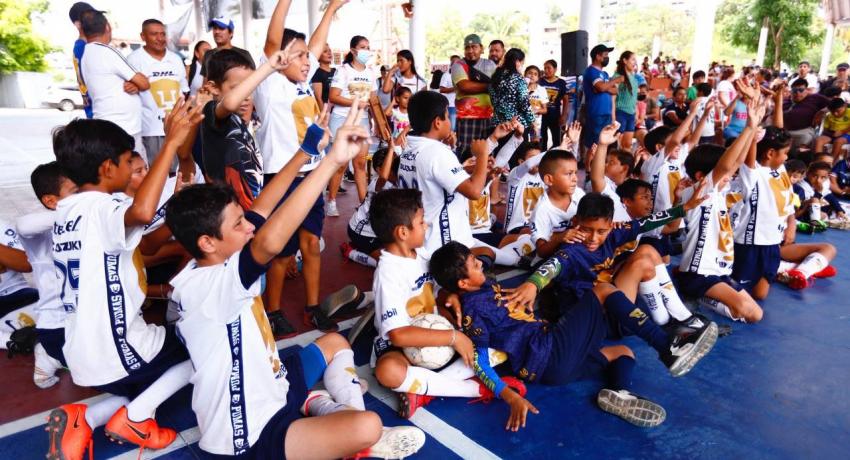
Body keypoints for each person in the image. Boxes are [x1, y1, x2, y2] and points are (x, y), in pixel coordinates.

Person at [164, 100, 425, 458]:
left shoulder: (214, 259)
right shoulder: (209, 286)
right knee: (368, 427)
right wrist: (332, 161)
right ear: (208, 242)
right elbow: (269, 240)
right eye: (238, 224)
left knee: (335, 342)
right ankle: (343, 424)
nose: (248, 227)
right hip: (250, 436)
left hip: (275, 385)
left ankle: (325, 408)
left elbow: (262, 210)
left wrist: (306, 152)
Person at [46, 99, 203, 459]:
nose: (134, 166)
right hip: (117, 347)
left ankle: (84, 416)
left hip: (84, 351)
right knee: (203, 351)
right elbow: (143, 213)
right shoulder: (103, 208)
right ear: (107, 167)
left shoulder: (70, 211)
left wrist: (176, 206)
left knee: (147, 379)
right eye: (129, 160)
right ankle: (135, 419)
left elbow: (145, 241)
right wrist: (170, 144)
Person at [430, 241, 674, 430]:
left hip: (554, 370)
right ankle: (666, 346)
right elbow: (479, 361)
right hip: (548, 351)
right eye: (474, 265)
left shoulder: (481, 284)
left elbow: (483, 255)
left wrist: (444, 293)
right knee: (603, 291)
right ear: (463, 283)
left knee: (623, 353)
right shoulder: (473, 311)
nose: (480, 264)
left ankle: (619, 392)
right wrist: (509, 397)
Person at [506, 191, 718, 373]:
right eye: (586, 229)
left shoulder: (615, 233)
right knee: (631, 269)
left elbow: (647, 222)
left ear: (611, 224)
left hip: (616, 308)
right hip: (594, 321)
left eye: (601, 231)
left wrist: (685, 207)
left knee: (647, 251)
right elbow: (553, 265)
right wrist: (533, 283)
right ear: (576, 222)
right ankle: (669, 332)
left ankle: (673, 320)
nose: (593, 238)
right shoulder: (573, 249)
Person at [369, 188, 526, 419]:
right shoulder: (388, 273)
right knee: (388, 372)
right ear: (403, 232)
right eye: (421, 222)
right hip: (406, 346)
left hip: (437, 329)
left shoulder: (419, 254)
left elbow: (435, 288)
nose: (427, 225)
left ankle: (423, 388)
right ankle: (476, 388)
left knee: (494, 334)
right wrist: (454, 338)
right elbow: (398, 335)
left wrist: (447, 296)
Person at [253, 0, 348, 334]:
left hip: (310, 177)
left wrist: (331, 10)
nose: (308, 60)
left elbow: (318, 43)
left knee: (311, 245)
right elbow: (272, 40)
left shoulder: (302, 85)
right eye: (299, 55)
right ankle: (273, 310)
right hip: (283, 178)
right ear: (280, 58)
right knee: (280, 250)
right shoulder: (270, 83)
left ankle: (312, 306)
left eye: (308, 56)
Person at [676, 96, 764, 323]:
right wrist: (748, 128)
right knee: (747, 311)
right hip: (699, 274)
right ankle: (692, 291)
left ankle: (698, 299)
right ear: (700, 176)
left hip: (719, 273)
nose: (729, 177)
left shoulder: (718, 194)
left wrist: (752, 130)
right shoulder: (697, 193)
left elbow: (733, 165)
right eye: (722, 176)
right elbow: (727, 165)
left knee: (755, 314)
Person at [397, 91, 508, 260]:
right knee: (492, 256)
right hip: (445, 244)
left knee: (506, 254)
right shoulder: (437, 152)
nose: (450, 122)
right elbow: (473, 192)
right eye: (448, 117)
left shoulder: (409, 148)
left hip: (427, 240)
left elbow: (445, 178)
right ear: (437, 122)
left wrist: (485, 174)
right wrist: (482, 155)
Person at [16, 163, 77, 389]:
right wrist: (79, 209)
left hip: (84, 318)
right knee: (97, 372)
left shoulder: (84, 221)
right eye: (76, 193)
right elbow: (23, 225)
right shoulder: (41, 235)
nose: (84, 198)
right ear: (51, 201)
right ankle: (48, 354)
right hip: (57, 325)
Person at [640, 97, 710, 260]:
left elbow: (693, 140)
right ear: (659, 148)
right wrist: (692, 113)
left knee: (665, 260)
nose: (678, 146)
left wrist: (704, 116)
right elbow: (676, 140)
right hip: (656, 224)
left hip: (676, 220)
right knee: (659, 262)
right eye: (673, 144)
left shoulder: (677, 159)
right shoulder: (652, 165)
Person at [79, 10, 150, 159]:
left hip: (109, 126)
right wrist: (137, 84)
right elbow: (144, 83)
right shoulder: (106, 51)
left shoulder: (86, 54)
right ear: (107, 27)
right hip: (124, 128)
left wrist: (134, 85)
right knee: (135, 173)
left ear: (83, 32)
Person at [199, 49, 264, 211]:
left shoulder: (253, 121)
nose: (247, 95)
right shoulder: (212, 113)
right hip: (228, 214)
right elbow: (228, 104)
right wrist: (269, 66)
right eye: (238, 88)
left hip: (252, 210)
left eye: (250, 87)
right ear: (213, 88)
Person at [128, 19, 190, 171]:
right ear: (143, 36)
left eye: (162, 34)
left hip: (177, 127)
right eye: (154, 34)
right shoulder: (133, 59)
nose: (160, 38)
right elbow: (126, 89)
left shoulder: (175, 59)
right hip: (152, 129)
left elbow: (184, 91)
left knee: (179, 174)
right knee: (158, 174)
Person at [329, 34, 378, 203]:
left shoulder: (371, 73)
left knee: (360, 164)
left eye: (368, 47)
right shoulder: (343, 70)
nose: (367, 50)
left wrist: (376, 122)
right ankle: (332, 201)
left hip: (362, 121)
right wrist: (356, 103)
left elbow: (373, 101)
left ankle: (363, 203)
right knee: (341, 164)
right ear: (353, 50)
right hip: (341, 120)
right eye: (363, 47)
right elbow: (333, 96)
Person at [342, 146, 398, 267]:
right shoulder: (379, 184)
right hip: (362, 233)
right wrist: (392, 148)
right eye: (391, 167)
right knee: (388, 264)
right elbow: (383, 177)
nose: (397, 169)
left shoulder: (398, 180)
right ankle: (351, 253)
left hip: (379, 231)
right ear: (379, 169)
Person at [529, 148, 586, 259]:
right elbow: (541, 252)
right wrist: (560, 238)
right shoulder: (542, 210)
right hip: (554, 259)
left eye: (575, 172)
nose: (575, 178)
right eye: (569, 174)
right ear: (549, 180)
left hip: (578, 250)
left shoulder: (578, 194)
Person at [452, 34, 496, 157]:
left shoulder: (490, 65)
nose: (470, 51)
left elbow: (498, 85)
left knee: (488, 152)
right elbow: (464, 86)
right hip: (467, 117)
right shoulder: (458, 65)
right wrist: (489, 86)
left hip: (489, 116)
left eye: (474, 47)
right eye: (467, 47)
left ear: (481, 48)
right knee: (466, 152)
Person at [588, 123, 632, 222]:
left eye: (610, 162)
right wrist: (602, 145)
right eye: (605, 161)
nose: (605, 165)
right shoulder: (605, 182)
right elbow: (596, 178)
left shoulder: (628, 187)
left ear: (624, 168)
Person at [582, 44, 621, 149]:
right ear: (598, 57)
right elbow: (601, 88)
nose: (607, 57)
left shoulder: (604, 74)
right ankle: (589, 165)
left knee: (604, 143)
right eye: (605, 55)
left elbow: (615, 90)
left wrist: (603, 87)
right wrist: (615, 81)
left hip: (606, 113)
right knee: (594, 144)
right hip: (596, 113)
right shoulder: (591, 71)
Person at [504, 142, 545, 234]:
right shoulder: (516, 175)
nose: (538, 161)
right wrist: (558, 149)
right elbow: (528, 164)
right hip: (516, 229)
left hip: (535, 226)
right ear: (521, 162)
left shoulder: (543, 176)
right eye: (534, 158)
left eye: (539, 158)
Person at [489, 48, 534, 130]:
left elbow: (493, 101)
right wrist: (533, 122)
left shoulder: (496, 77)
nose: (521, 66)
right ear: (517, 62)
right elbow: (524, 103)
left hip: (497, 124)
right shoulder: (518, 79)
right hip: (516, 125)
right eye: (522, 63)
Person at [783, 78, 830, 148]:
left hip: (805, 130)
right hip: (784, 131)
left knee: (805, 138)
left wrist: (823, 111)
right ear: (791, 92)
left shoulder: (815, 98)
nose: (798, 93)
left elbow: (835, 104)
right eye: (795, 90)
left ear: (806, 90)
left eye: (801, 90)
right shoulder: (785, 102)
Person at [69, 2, 95, 118]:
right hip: (95, 108)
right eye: (89, 17)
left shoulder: (88, 45)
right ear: (78, 24)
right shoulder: (81, 47)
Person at [539, 60, 569, 150]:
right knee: (542, 140)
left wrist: (564, 115)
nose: (546, 70)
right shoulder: (540, 81)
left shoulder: (561, 83)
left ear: (555, 69)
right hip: (541, 115)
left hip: (555, 115)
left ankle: (554, 159)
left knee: (557, 140)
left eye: (549, 68)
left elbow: (566, 100)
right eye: (545, 68)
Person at [612, 51, 638, 150]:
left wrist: (636, 112)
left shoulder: (633, 77)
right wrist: (613, 116)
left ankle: (626, 165)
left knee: (627, 145)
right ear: (625, 61)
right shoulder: (617, 76)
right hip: (620, 113)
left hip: (631, 114)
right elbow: (613, 98)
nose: (635, 62)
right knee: (617, 145)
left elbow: (634, 97)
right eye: (633, 59)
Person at [310, 43, 336, 112]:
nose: (329, 53)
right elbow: (318, 98)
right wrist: (323, 115)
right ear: (319, 55)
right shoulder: (317, 73)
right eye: (325, 51)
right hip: (326, 111)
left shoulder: (336, 71)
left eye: (329, 50)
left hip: (338, 111)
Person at [439, 55, 461, 131]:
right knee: (452, 128)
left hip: (460, 106)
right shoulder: (446, 75)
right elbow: (441, 90)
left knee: (458, 129)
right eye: (454, 63)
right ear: (451, 64)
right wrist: (455, 88)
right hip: (451, 106)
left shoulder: (462, 75)